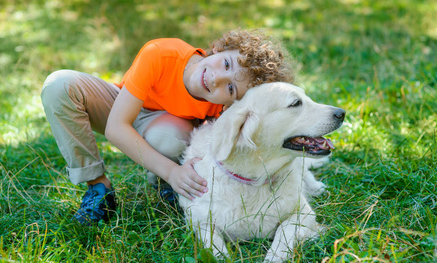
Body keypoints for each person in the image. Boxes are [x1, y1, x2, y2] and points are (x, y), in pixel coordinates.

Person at [41, 29, 295, 225]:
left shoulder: (221, 109)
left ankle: (162, 184)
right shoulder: (162, 53)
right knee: (59, 85)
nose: (217, 78)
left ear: (233, 103)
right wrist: (173, 171)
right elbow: (117, 128)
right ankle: (98, 187)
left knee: (170, 138)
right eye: (226, 64)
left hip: (167, 128)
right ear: (219, 48)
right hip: (122, 105)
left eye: (230, 88)